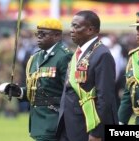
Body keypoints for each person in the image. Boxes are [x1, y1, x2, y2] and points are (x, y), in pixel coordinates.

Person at [0, 18, 73, 140]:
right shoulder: (36, 57)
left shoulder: (64, 57)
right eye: (37, 34)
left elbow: (70, 92)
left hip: (54, 121)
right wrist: (20, 92)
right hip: (38, 121)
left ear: (57, 36)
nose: (38, 37)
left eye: (43, 34)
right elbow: (37, 88)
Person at [56, 10, 118, 141]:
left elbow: (105, 98)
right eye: (72, 26)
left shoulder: (102, 55)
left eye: (76, 26)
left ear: (90, 30)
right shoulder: (78, 53)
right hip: (69, 123)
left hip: (87, 126)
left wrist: (97, 132)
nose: (71, 30)